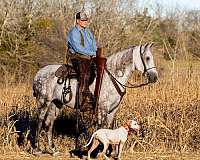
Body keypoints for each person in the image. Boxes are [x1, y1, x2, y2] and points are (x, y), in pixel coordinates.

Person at [67, 11, 97, 109]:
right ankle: (83, 100)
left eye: (86, 20)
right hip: (77, 58)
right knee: (85, 73)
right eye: (83, 20)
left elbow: (94, 44)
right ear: (77, 21)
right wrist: (92, 53)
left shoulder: (88, 32)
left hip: (89, 58)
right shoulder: (73, 32)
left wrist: (96, 52)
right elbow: (78, 48)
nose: (85, 22)